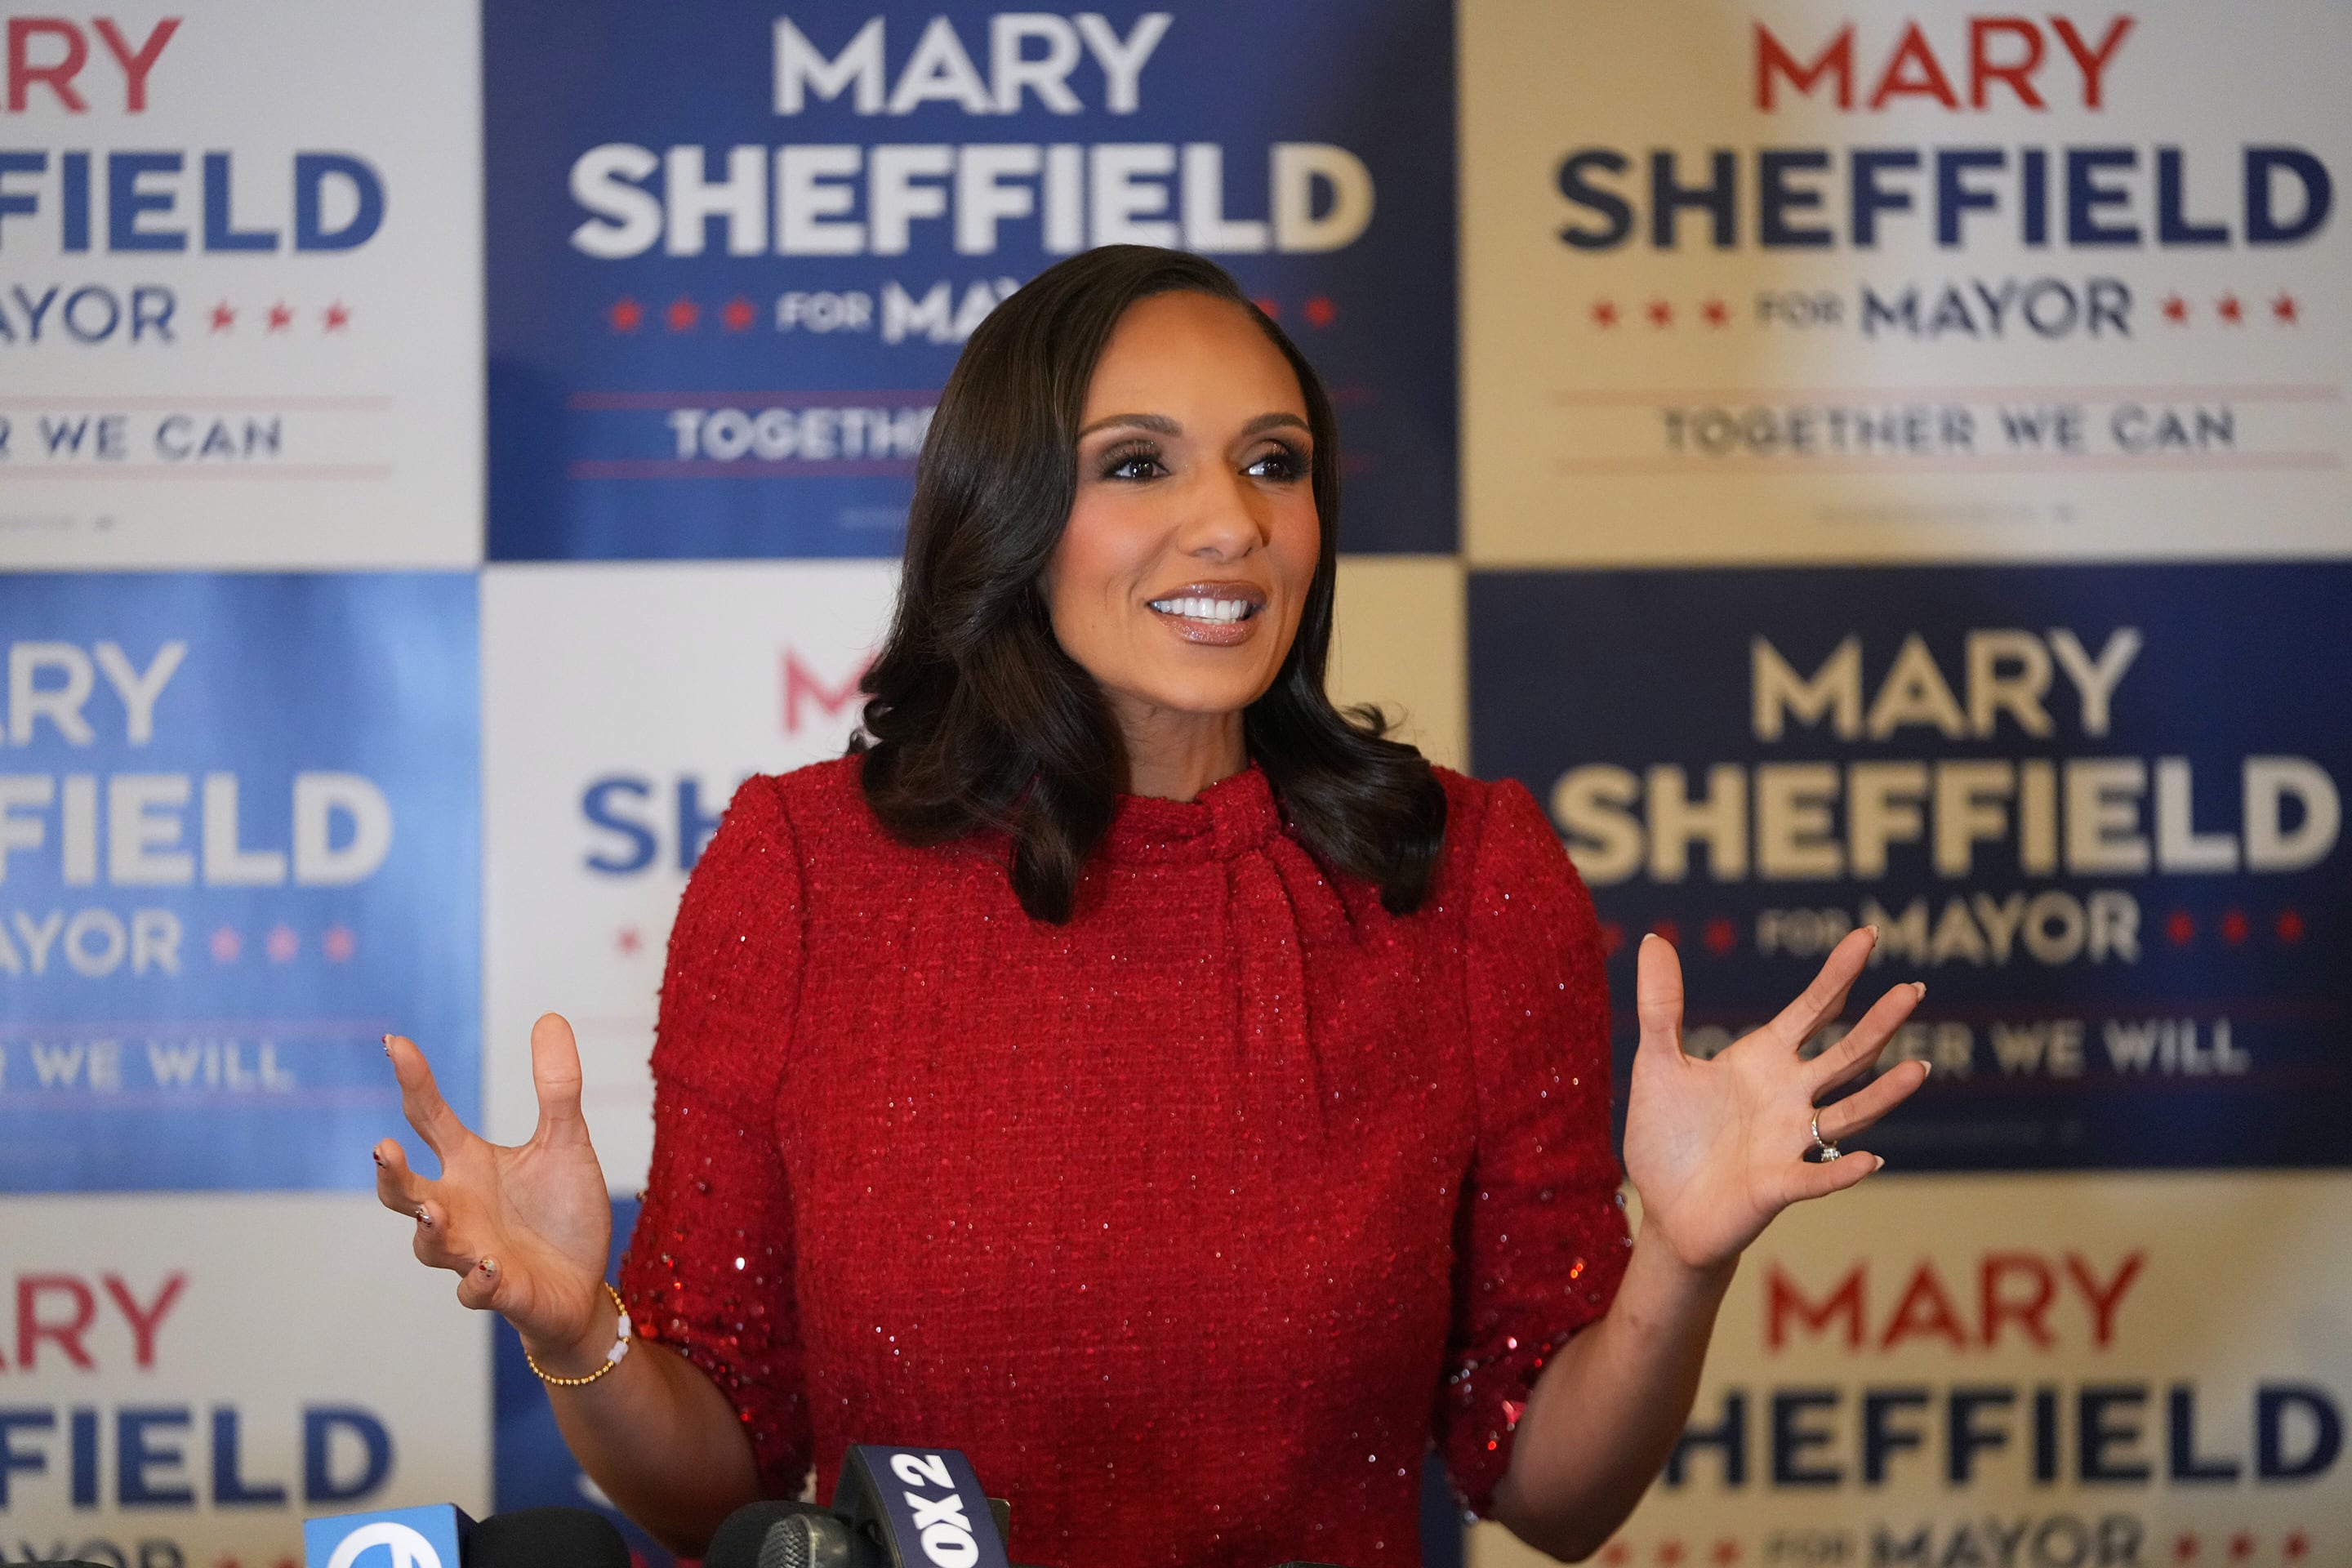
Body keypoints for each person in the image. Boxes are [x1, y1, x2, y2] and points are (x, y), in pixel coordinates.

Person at [374, 246, 1927, 1566]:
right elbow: (715, 1482)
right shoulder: (800, 873)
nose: (1231, 524)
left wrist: (1686, 1258)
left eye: (1274, 461)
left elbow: (1553, 1496)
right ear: (1014, 510)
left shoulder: (1466, 877)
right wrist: (581, 1336)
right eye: (1137, 464)